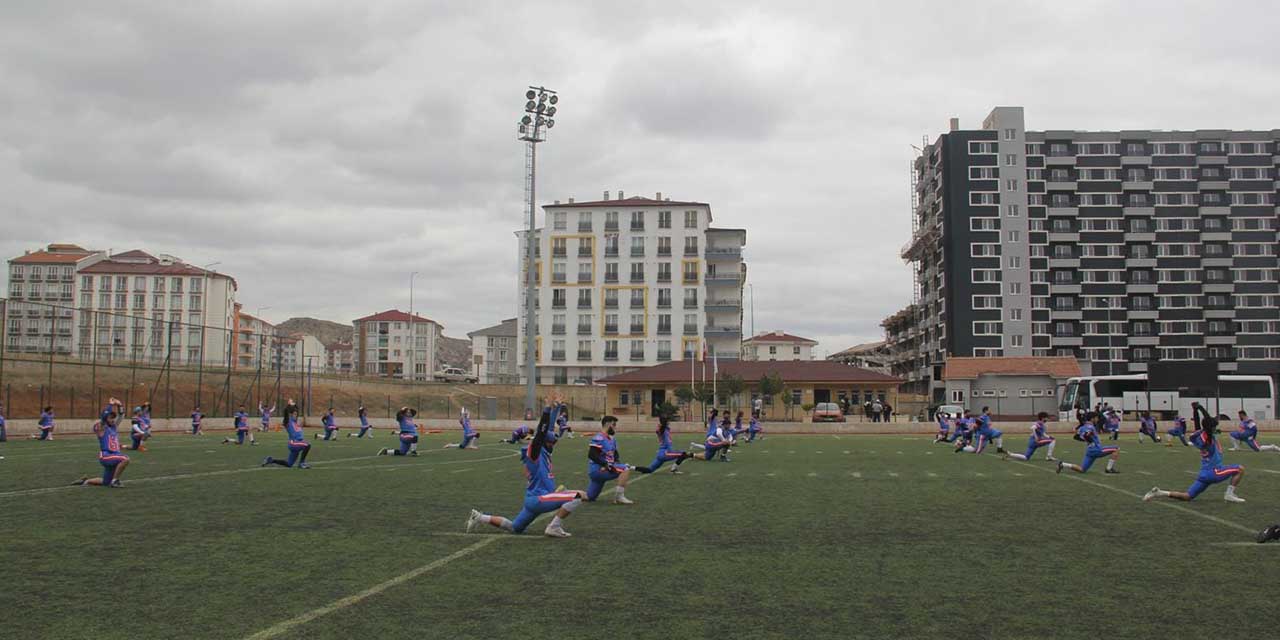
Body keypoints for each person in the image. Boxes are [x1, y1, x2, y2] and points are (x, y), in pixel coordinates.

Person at [466, 404, 586, 538]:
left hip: (532, 499)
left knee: (515, 527)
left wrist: (555, 408)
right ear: (545, 443)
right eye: (552, 443)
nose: (553, 445)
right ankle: (554, 527)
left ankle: (480, 517)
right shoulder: (535, 452)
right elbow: (541, 432)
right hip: (539, 499)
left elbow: (547, 430)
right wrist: (546, 410)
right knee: (578, 496)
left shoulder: (541, 451)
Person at [1144, 402, 1245, 503]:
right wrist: (1200, 407)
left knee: (1188, 496)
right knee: (1240, 469)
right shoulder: (1208, 438)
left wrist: (1195, 410)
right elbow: (1208, 423)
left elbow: (1198, 423)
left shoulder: (1199, 436)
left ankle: (1160, 492)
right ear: (1210, 427)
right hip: (1214, 472)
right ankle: (1229, 494)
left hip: (1204, 473)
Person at [584, 415, 635, 504]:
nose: (615, 427)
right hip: (598, 470)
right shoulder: (599, 437)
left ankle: (567, 493)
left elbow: (615, 455)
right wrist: (605, 465)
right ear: (608, 424)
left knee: (589, 497)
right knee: (625, 469)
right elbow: (592, 454)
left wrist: (616, 464)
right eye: (614, 424)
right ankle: (619, 497)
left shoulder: (612, 439)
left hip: (604, 470)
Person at [73, 411, 129, 488]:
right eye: (110, 418)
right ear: (105, 418)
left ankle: (86, 481)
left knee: (106, 482)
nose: (113, 420)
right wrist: (110, 405)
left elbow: (121, 415)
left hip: (114, 456)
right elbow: (102, 421)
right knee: (125, 459)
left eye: (113, 418)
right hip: (106, 455)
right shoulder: (102, 428)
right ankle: (115, 481)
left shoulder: (113, 427)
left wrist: (119, 405)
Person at [262, 401, 311, 469]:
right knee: (307, 445)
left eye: (296, 414)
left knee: (289, 464)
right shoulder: (288, 421)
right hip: (294, 442)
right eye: (294, 414)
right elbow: (285, 412)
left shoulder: (295, 422)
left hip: (298, 443)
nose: (296, 415)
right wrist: (288, 405)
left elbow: (297, 411)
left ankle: (271, 460)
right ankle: (301, 463)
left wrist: (295, 405)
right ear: (290, 414)